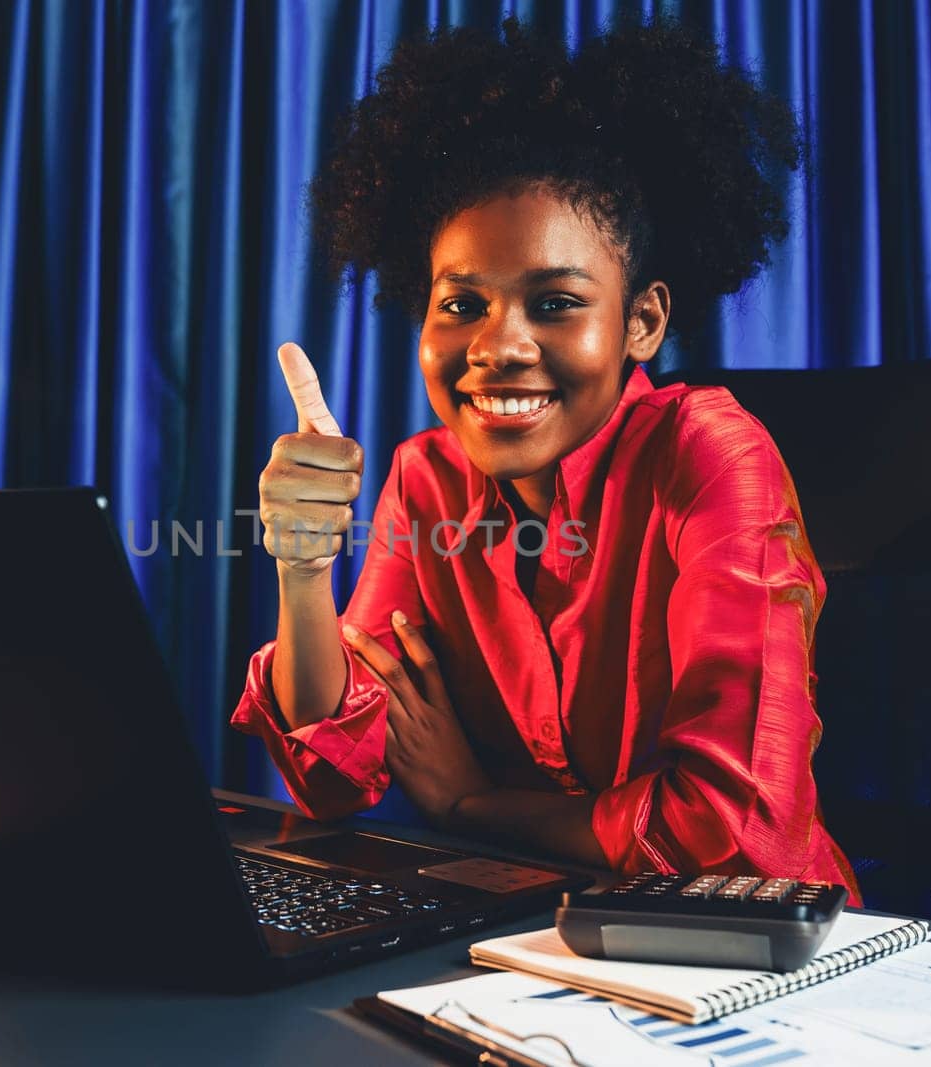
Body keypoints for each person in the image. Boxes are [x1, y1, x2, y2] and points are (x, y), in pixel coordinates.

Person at [232, 15, 860, 898]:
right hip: (525, 946)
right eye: (462, 304)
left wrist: (470, 806)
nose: (498, 345)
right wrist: (302, 571)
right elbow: (337, 772)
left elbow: (731, 833)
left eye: (556, 302)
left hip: (752, 964)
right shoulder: (425, 479)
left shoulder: (714, 458)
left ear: (641, 321)